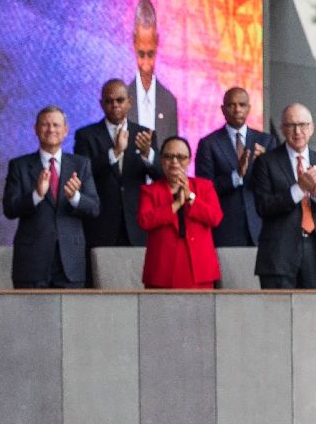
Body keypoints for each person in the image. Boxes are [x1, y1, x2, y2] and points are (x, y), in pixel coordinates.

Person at [3, 106, 100, 288]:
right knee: (29, 316)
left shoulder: (81, 165)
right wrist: (36, 195)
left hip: (70, 263)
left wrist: (75, 197)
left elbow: (94, 208)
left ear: (65, 131)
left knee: (72, 316)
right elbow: (9, 209)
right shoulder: (19, 165)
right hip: (32, 264)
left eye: (56, 125)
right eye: (45, 125)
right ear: (36, 129)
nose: (51, 129)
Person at [252, 103, 316, 289]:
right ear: (283, 129)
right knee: (278, 315)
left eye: (303, 125)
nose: (298, 131)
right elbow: (263, 207)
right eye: (291, 125)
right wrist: (299, 189)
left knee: (315, 316)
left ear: (312, 128)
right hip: (279, 255)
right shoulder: (266, 162)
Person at [74, 79, 162, 256]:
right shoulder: (86, 135)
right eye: (109, 101)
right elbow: (83, 175)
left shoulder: (145, 134)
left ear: (129, 102)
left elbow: (160, 176)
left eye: (120, 100)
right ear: (101, 104)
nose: (114, 105)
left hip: (137, 225)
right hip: (101, 225)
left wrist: (147, 154)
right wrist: (114, 153)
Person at [194, 87, 276, 246]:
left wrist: (265, 167)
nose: (237, 109)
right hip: (225, 229)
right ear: (223, 109)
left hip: (260, 227)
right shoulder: (209, 144)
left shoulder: (266, 141)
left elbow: (276, 186)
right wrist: (236, 175)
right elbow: (204, 189)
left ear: (249, 108)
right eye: (231, 105)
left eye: (242, 104)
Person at [138, 136, 223, 288]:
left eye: (181, 157)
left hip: (198, 270)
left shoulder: (204, 186)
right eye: (169, 157)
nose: (175, 162)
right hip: (162, 270)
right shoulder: (150, 190)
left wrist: (191, 197)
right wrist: (175, 205)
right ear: (161, 160)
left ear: (189, 160)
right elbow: (144, 221)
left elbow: (215, 218)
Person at [126, 0, 178, 144]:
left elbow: (172, 152)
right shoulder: (121, 101)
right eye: (141, 55)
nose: (146, 65)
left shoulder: (169, 102)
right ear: (134, 42)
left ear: (157, 41)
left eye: (151, 54)